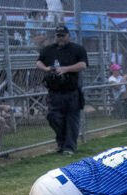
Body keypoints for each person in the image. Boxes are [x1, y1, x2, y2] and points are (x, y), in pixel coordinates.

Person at [36, 24, 88, 154]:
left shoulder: (77, 49)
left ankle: (69, 147)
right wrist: (46, 69)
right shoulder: (48, 50)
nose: (60, 38)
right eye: (58, 36)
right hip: (54, 92)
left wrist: (65, 69)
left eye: (63, 36)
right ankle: (62, 141)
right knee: (53, 117)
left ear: (68, 35)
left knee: (72, 120)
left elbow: (83, 65)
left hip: (71, 91)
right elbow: (38, 62)